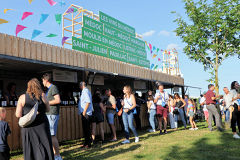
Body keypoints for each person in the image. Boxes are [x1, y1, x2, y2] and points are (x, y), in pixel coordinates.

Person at [16, 78, 54, 160]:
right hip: (42, 125)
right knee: (44, 144)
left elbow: (18, 114)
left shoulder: (22, 97)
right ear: (38, 86)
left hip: (28, 127)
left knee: (30, 146)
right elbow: (48, 109)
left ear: (28, 87)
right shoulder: (43, 95)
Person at [42, 73, 62, 160]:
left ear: (46, 80)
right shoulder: (48, 89)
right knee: (50, 135)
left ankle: (57, 156)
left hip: (52, 114)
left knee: (52, 135)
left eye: (42, 80)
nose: (42, 82)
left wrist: (46, 103)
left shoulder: (53, 87)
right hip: (49, 114)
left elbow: (58, 100)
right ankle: (54, 154)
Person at [78, 82, 93, 148]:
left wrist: (84, 111)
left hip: (86, 113)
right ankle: (86, 143)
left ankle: (88, 144)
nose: (79, 87)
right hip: (85, 113)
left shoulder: (85, 91)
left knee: (87, 129)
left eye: (79, 85)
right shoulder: (85, 91)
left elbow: (88, 101)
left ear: (81, 85)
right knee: (85, 129)